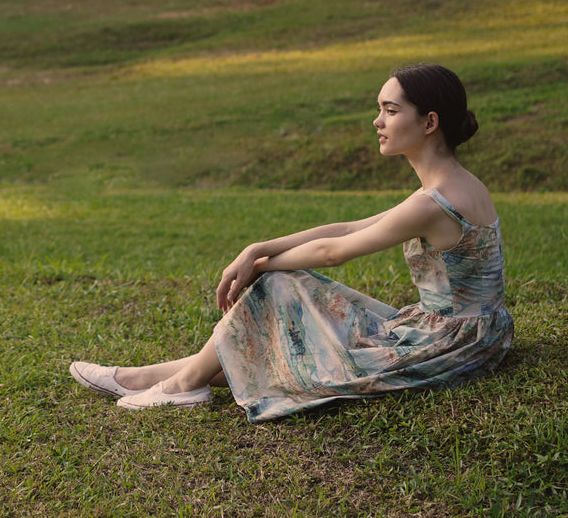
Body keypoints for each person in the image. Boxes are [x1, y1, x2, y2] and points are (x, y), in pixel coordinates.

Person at [70, 63, 514, 422]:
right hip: (468, 331)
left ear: (429, 122)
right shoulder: (450, 186)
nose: (377, 121)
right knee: (287, 318)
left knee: (281, 285)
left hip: (448, 343)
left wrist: (263, 267)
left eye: (391, 110)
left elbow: (333, 252)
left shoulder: (434, 201)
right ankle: (145, 376)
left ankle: (183, 386)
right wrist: (258, 247)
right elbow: (348, 227)